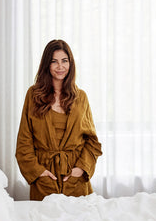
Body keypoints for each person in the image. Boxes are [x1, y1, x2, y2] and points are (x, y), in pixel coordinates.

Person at [15, 39, 102, 200]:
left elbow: (92, 142)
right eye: (54, 61)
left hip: (76, 181)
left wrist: (81, 169)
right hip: (44, 181)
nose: (60, 66)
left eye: (64, 61)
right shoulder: (33, 95)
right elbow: (24, 143)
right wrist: (39, 172)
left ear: (71, 64)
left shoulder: (81, 97)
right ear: (47, 65)